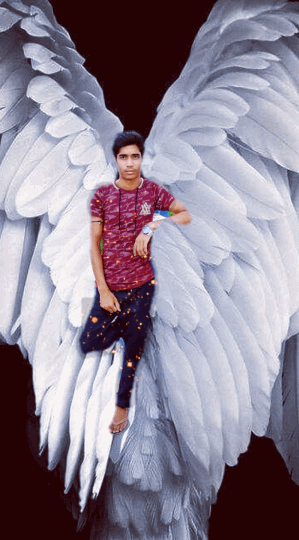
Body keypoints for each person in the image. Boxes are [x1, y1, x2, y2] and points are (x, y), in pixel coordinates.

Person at [80, 131, 192, 433]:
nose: (129, 163)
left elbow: (184, 215)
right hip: (112, 287)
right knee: (89, 341)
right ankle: (124, 328)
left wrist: (152, 225)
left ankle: (121, 409)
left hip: (142, 284)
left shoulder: (153, 192)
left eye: (135, 157)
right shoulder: (102, 197)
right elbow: (94, 245)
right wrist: (103, 290)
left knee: (133, 349)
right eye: (123, 157)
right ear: (116, 160)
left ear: (141, 159)